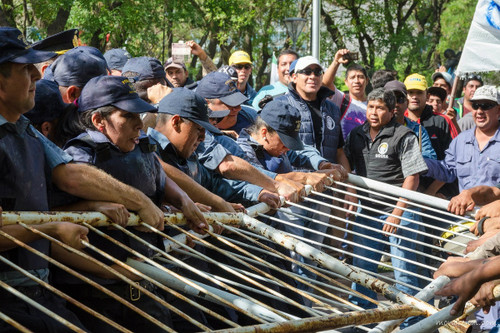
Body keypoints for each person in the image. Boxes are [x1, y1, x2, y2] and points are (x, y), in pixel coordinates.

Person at [0, 26, 165, 332]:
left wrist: (93, 204)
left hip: (38, 294)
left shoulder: (24, 130)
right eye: (26, 69)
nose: (37, 76)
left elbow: (69, 174)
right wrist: (51, 227)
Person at [57, 75, 208, 332]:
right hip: (99, 294)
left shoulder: (142, 146)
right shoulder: (81, 154)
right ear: (98, 121)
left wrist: (182, 200)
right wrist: (93, 207)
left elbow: (157, 177)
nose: (140, 124)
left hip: (146, 280)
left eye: (140, 115)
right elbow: (52, 216)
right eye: (129, 116)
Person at [344, 88, 428, 319]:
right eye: (371, 106)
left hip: (401, 211)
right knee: (362, 271)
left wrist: (397, 214)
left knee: (405, 275)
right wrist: (350, 190)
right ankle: (362, 321)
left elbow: (413, 177)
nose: (373, 112)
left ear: (392, 111)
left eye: (380, 108)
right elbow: (342, 156)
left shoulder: (403, 135)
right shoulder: (356, 134)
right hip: (368, 211)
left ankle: (410, 324)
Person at [149, 87, 280, 208]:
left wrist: (259, 193)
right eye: (199, 129)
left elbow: (214, 184)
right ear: (176, 122)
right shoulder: (146, 153)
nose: (202, 138)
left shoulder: (188, 157)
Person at [403, 73, 459, 199]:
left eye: (419, 92)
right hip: (405, 193)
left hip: (439, 195)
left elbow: (455, 160)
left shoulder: (443, 121)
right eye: (410, 92)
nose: (414, 97)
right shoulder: (398, 122)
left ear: (427, 95)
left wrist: (431, 191)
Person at [322, 49, 369, 140]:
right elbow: (325, 84)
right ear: (346, 82)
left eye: (360, 77)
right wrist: (336, 62)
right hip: (343, 153)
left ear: (367, 81)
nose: (356, 81)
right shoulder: (341, 99)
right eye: (352, 78)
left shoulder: (372, 105)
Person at [384, 80, 437, 160]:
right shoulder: (372, 129)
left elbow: (430, 158)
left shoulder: (418, 130)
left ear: (407, 102)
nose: (395, 104)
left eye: (400, 99)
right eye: (391, 99)